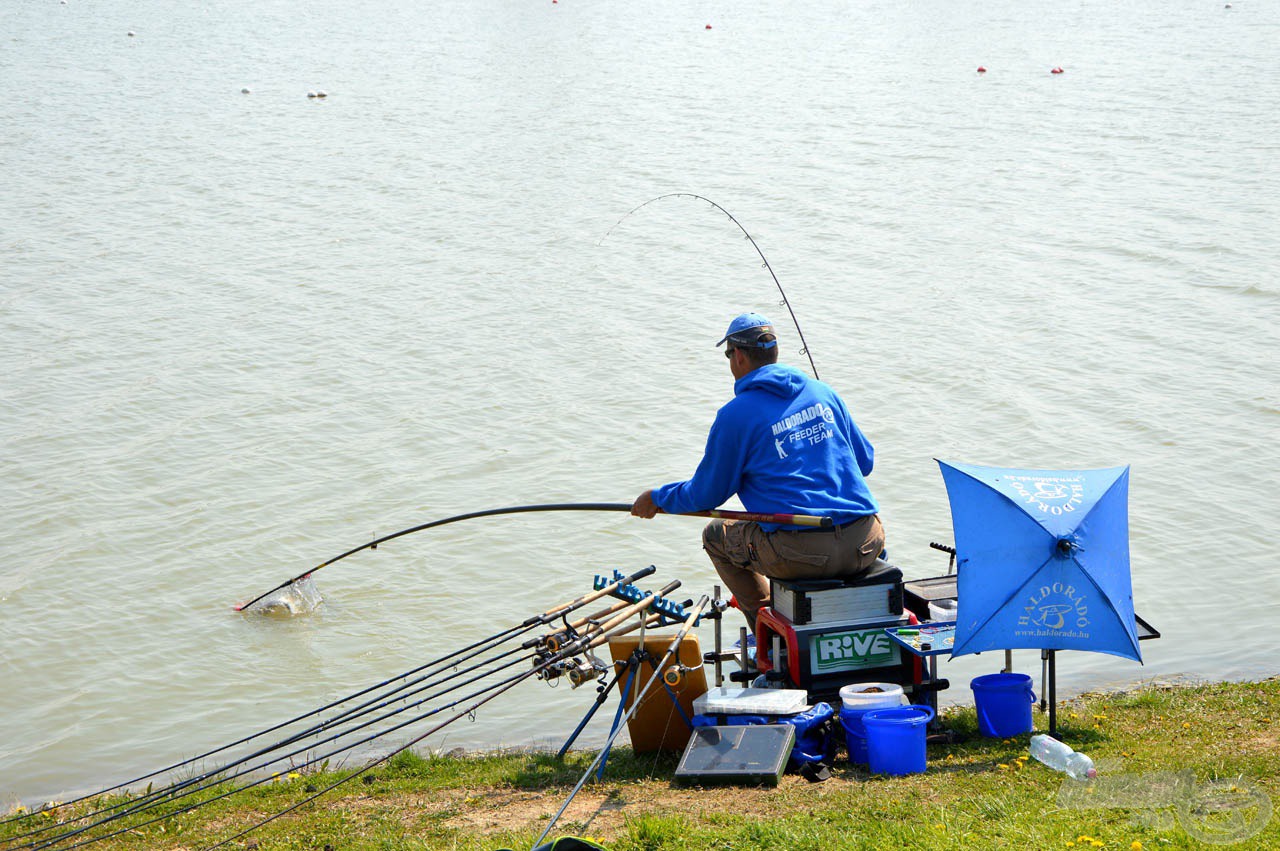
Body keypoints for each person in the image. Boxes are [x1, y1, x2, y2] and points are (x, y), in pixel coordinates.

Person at [631, 313, 885, 630]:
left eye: (728, 355)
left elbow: (706, 494)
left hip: (800, 555)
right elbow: (866, 463)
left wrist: (658, 498)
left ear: (738, 356)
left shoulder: (735, 415)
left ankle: (767, 630)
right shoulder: (823, 393)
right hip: (866, 541)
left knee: (715, 536)